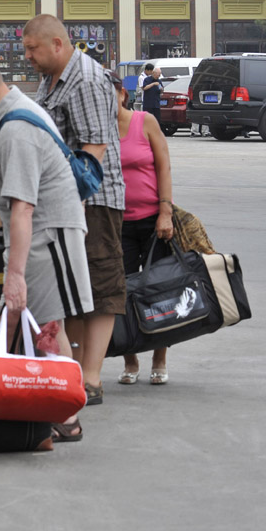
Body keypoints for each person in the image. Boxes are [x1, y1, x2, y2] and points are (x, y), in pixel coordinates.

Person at [0, 54, 92, 442]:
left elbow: (24, 207)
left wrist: (13, 273)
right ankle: (36, 404)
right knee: (39, 323)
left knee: (48, 325)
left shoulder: (15, 130)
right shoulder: (18, 110)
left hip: (47, 235)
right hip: (47, 233)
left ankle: (67, 415)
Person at [22, 13, 126, 408]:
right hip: (65, 200)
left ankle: (93, 376)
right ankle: (77, 370)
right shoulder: (51, 79)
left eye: (33, 49)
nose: (28, 56)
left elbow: (94, 149)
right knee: (73, 289)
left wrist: (72, 201)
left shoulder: (84, 79)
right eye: (26, 49)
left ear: (57, 44)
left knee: (100, 286)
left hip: (92, 200)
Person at [110, 71, 175, 385]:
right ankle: (130, 357)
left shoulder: (145, 121)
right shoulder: (100, 131)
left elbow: (164, 165)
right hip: (116, 225)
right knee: (121, 292)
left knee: (157, 290)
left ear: (122, 93)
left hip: (153, 222)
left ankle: (159, 357)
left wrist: (165, 211)